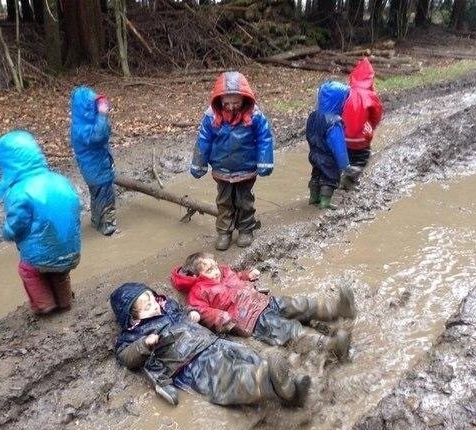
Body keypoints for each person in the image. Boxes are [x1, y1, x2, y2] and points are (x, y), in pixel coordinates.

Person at [110, 282, 312, 407]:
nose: (155, 306)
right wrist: (144, 344)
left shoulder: (168, 306)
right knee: (226, 378)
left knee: (247, 355)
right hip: (189, 361)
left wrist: (191, 313)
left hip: (212, 342)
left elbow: (183, 310)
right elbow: (126, 356)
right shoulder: (135, 333)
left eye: (153, 300)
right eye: (147, 307)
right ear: (132, 319)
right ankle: (267, 382)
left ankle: (288, 389)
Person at [170, 252, 356, 358]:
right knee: (287, 330)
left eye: (215, 266)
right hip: (252, 319)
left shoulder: (224, 272)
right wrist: (218, 317)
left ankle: (335, 309)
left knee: (298, 304)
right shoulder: (198, 291)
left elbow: (237, 277)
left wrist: (247, 274)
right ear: (196, 276)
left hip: (265, 301)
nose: (216, 271)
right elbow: (200, 309)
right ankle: (328, 346)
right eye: (209, 270)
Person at [0, 130, 81, 314]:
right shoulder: (60, 180)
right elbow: (76, 207)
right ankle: (64, 302)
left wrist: (7, 232)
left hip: (40, 255)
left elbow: (17, 223)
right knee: (59, 273)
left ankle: (44, 304)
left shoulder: (19, 191)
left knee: (29, 271)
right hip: (71, 251)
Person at [191, 71, 275, 251]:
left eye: (236, 102)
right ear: (219, 100)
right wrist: (199, 164)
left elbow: (264, 138)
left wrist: (264, 162)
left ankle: (245, 229)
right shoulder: (211, 117)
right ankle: (224, 232)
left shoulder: (255, 115)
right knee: (224, 202)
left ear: (245, 99)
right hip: (222, 168)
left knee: (245, 201)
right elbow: (203, 140)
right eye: (226, 103)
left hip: (246, 168)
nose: (231, 107)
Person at [306, 80, 361, 209]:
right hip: (328, 157)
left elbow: (309, 135)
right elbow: (339, 146)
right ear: (338, 101)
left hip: (314, 153)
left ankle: (313, 198)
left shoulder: (313, 116)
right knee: (329, 178)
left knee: (316, 174)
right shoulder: (334, 122)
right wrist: (345, 165)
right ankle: (324, 203)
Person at [70, 86, 117, 236]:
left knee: (97, 197)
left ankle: (96, 222)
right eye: (94, 104)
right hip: (97, 170)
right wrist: (102, 115)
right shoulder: (80, 128)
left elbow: (106, 131)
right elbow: (99, 136)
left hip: (96, 168)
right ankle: (108, 228)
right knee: (106, 199)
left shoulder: (85, 122)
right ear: (86, 108)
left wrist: (102, 113)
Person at [340, 58, 383, 190]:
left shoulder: (346, 92)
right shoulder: (370, 95)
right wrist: (371, 127)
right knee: (362, 158)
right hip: (360, 137)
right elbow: (376, 115)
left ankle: (342, 175)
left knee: (347, 155)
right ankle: (349, 179)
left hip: (342, 135)